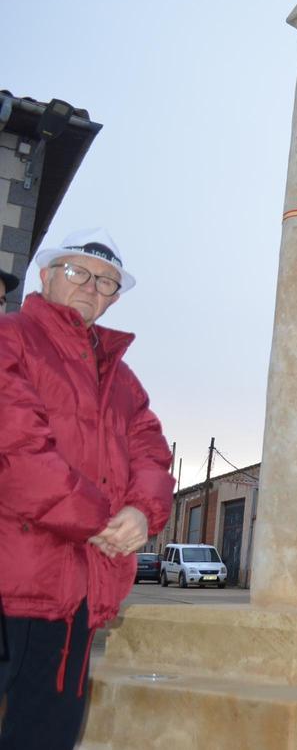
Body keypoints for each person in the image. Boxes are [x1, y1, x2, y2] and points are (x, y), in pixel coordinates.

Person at [0, 228, 174, 749]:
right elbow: (18, 453)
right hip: (15, 577)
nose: (91, 288)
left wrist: (143, 514)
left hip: (82, 586)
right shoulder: (11, 339)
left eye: (106, 283)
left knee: (54, 726)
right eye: (78, 273)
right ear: (47, 275)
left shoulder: (121, 378)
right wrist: (99, 521)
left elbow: (151, 452)